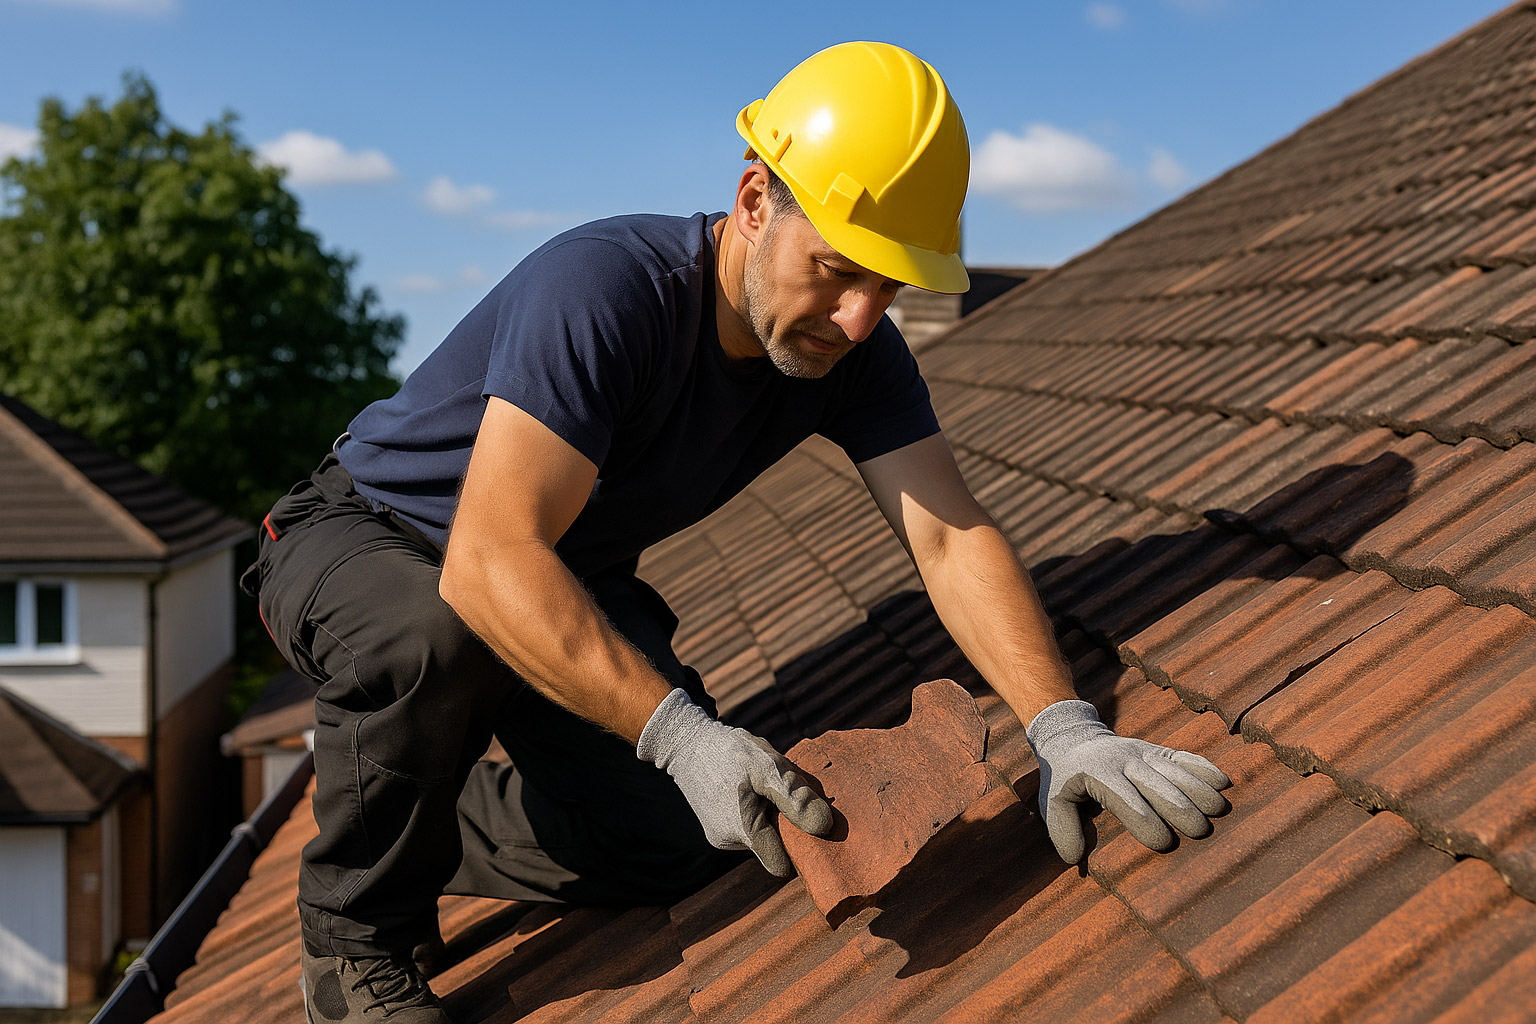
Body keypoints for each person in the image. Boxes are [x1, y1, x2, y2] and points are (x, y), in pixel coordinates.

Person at [243, 41, 1232, 1024]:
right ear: (756, 200)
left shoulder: (856, 354)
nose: (855, 319)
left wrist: (1063, 725)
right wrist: (675, 731)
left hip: (559, 575)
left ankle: (398, 808)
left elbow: (950, 537)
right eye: (838, 270)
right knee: (431, 635)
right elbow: (490, 559)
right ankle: (354, 944)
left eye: (890, 288)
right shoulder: (604, 292)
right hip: (363, 535)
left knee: (687, 836)